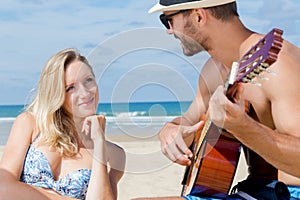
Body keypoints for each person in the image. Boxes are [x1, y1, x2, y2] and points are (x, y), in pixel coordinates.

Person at [134, 0, 300, 199]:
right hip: (253, 191)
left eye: (168, 20)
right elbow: (187, 123)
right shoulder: (213, 69)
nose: (169, 31)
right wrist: (169, 131)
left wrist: (245, 128)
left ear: (198, 16)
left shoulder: (278, 65)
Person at [0, 48, 125, 200]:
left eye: (88, 80)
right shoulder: (30, 125)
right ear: (57, 93)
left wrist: (99, 143)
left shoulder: (114, 155)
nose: (85, 93)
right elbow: (3, 188)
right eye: (71, 87)